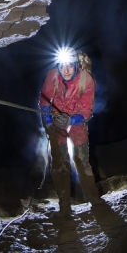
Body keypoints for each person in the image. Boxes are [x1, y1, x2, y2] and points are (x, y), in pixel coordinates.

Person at [39, 49, 100, 216]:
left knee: (81, 160)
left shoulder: (86, 80)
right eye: (62, 66)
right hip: (56, 119)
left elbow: (87, 110)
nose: (65, 70)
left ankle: (94, 199)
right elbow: (44, 100)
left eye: (69, 66)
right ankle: (64, 203)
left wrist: (72, 120)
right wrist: (49, 122)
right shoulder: (53, 75)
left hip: (77, 121)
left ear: (75, 66)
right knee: (59, 163)